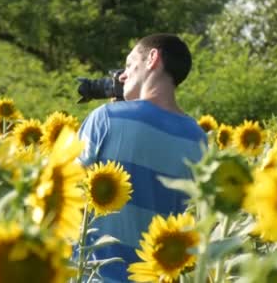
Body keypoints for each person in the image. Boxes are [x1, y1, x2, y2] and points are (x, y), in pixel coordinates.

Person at [78, 33, 207, 282]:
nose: (123, 76)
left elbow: (68, 193)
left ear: (152, 58)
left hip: (96, 276)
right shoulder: (198, 139)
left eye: (128, 64)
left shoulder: (106, 118)